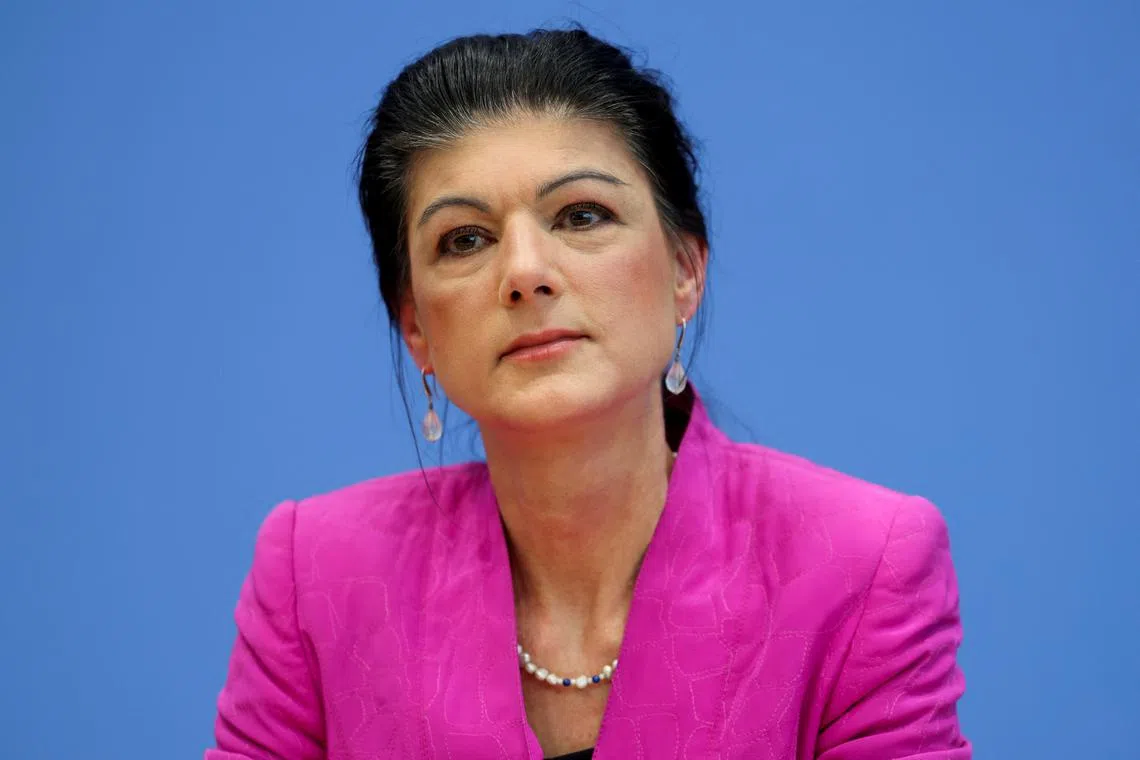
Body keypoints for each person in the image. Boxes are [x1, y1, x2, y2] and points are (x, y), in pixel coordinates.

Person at [206, 28, 971, 760]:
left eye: (581, 216)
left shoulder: (862, 566)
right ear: (415, 328)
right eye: (465, 239)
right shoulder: (318, 573)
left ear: (684, 271)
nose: (525, 272)